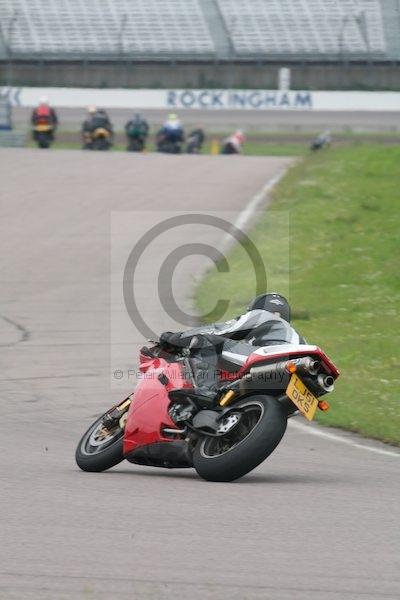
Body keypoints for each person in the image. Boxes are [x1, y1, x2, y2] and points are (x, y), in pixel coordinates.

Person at [159, 293, 305, 390]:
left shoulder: (261, 315)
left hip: (271, 360)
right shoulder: (298, 337)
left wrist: (175, 338)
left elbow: (219, 330)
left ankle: (206, 392)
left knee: (206, 341)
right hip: (299, 374)